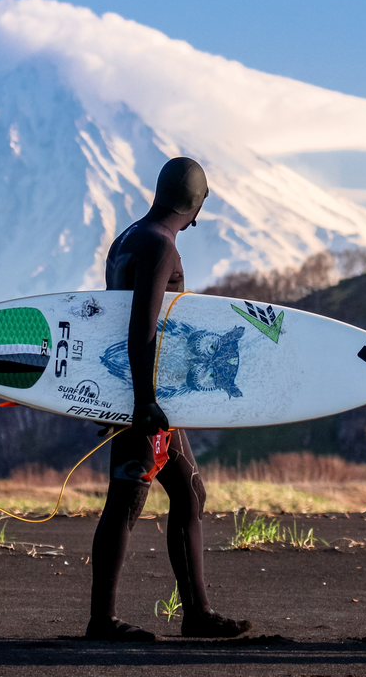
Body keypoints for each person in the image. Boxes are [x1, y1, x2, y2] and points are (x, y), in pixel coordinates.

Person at [86, 157, 252, 642]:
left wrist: (107, 396)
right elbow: (142, 329)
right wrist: (142, 402)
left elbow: (109, 325)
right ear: (196, 207)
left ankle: (194, 612)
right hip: (148, 397)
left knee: (184, 494)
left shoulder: (127, 238)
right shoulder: (160, 248)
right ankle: (108, 621)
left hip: (136, 390)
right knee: (128, 500)